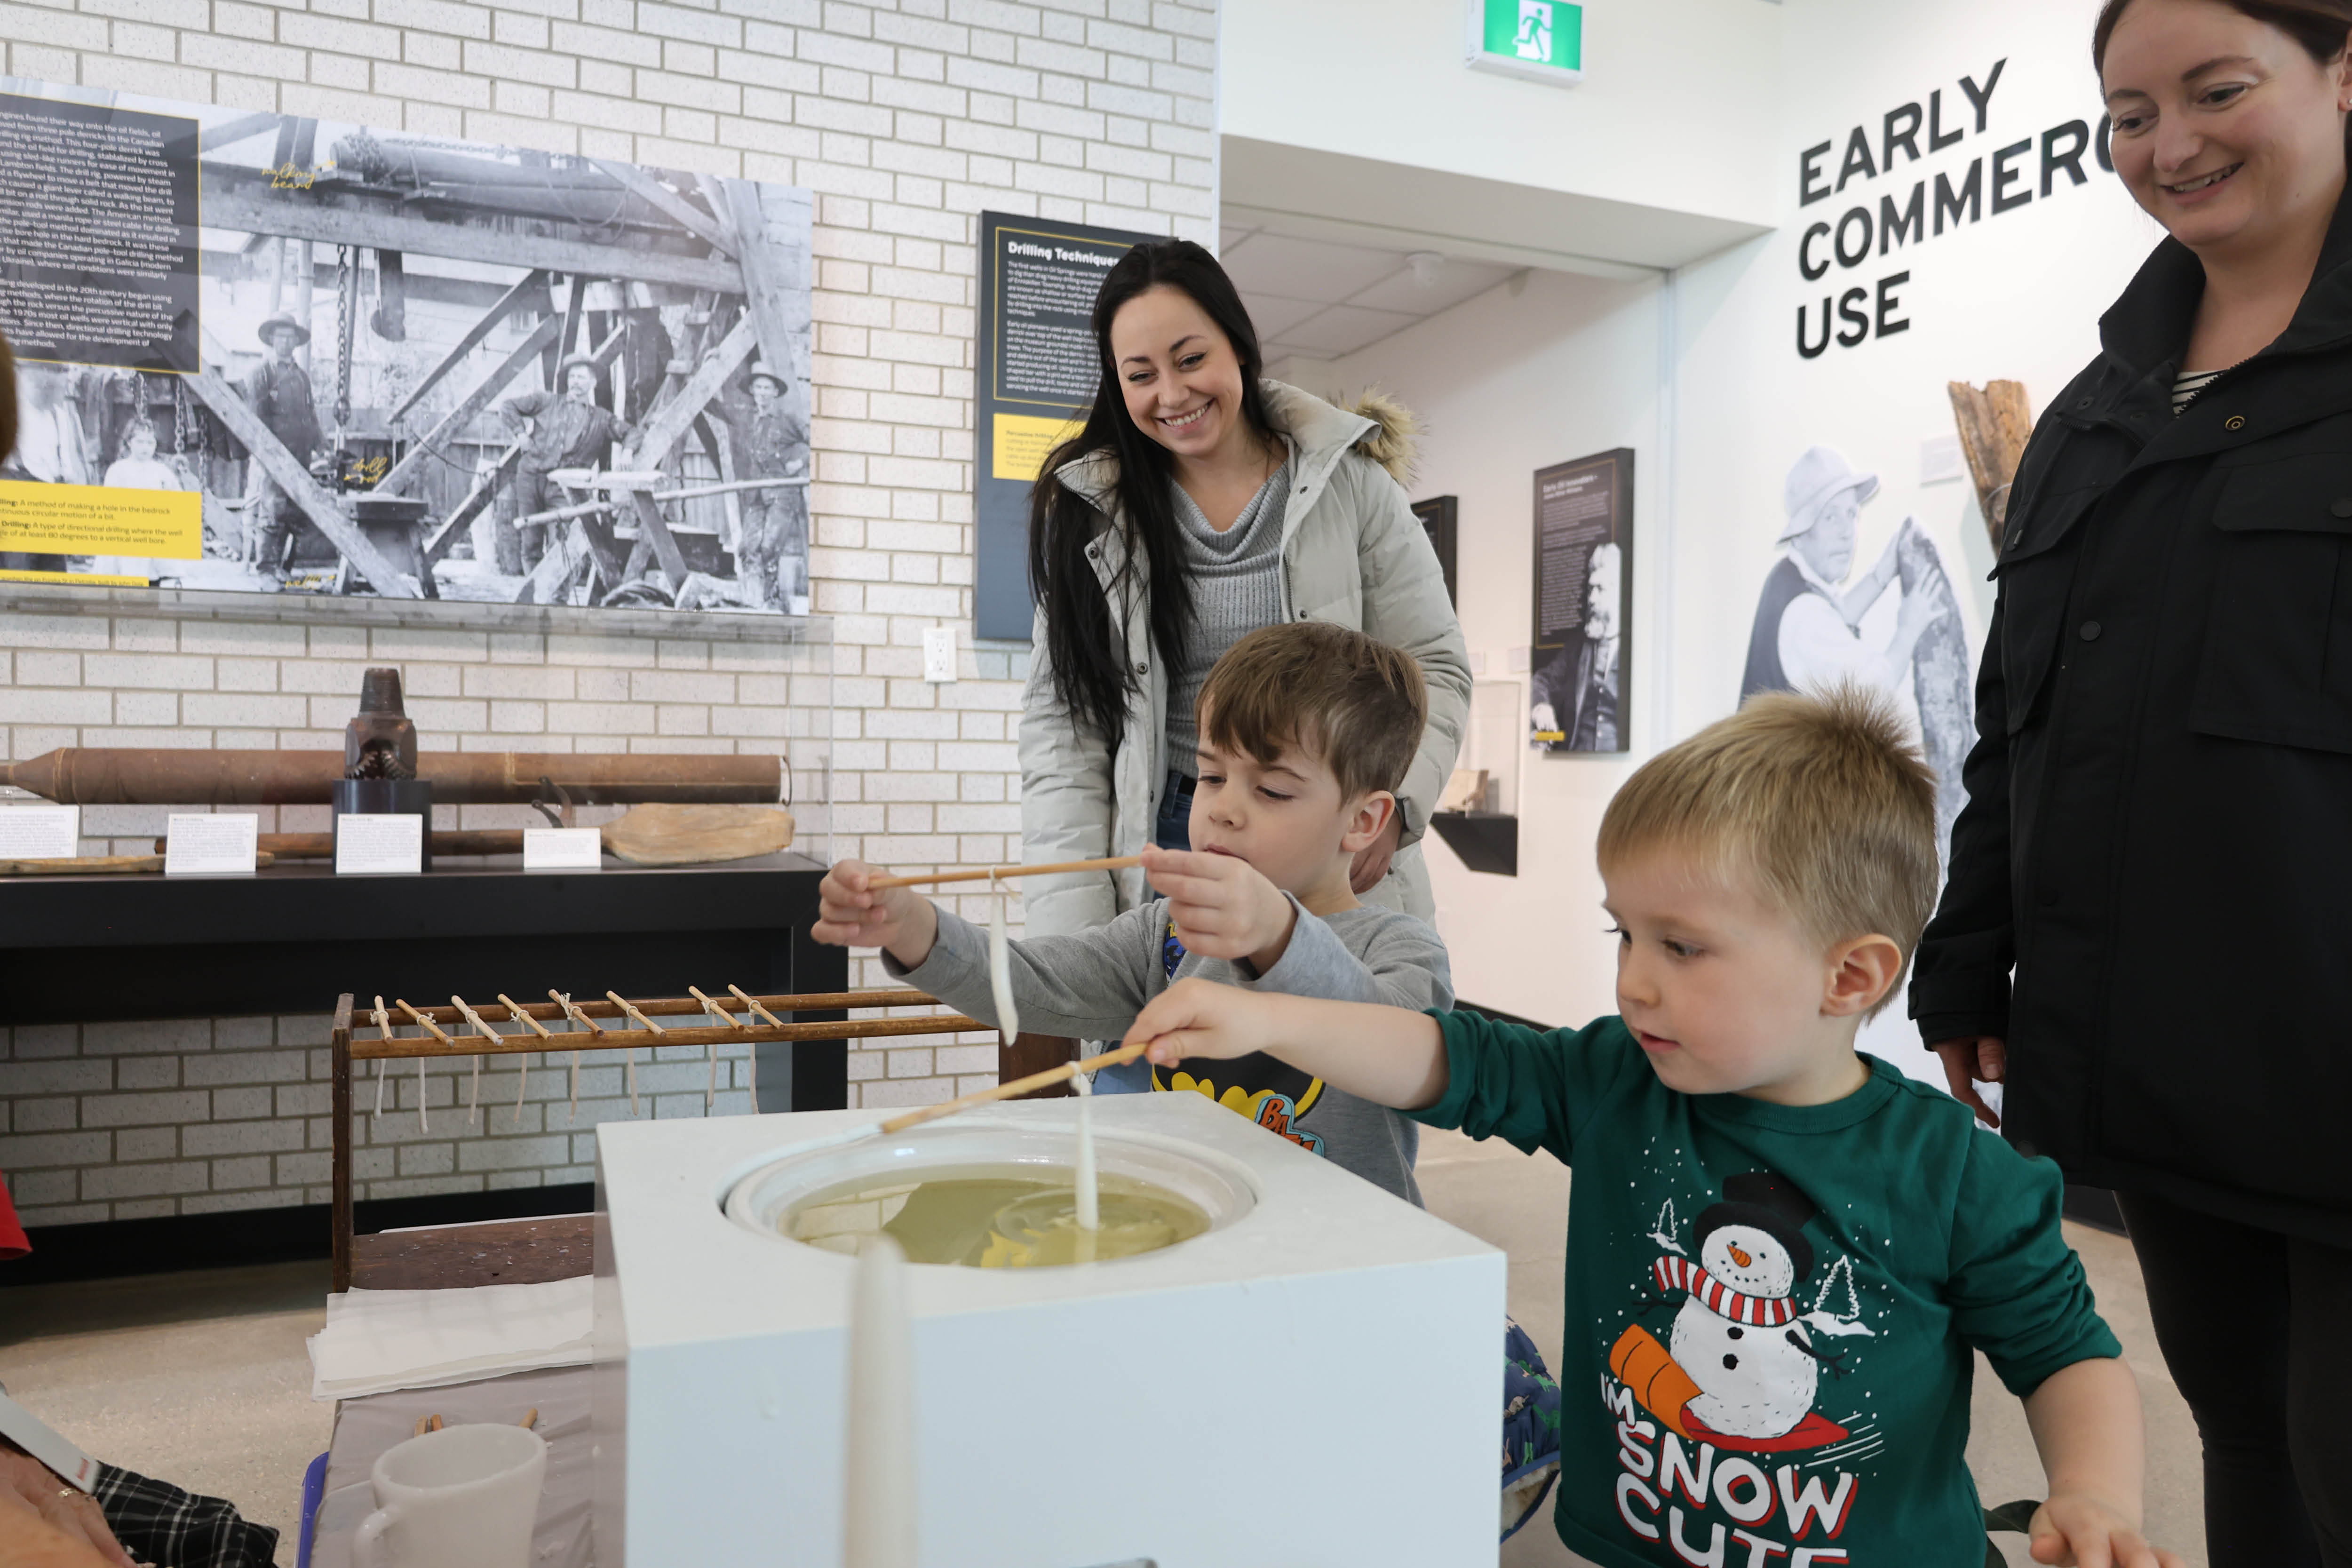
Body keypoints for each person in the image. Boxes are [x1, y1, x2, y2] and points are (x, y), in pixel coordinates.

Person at [1119, 688, 2182, 1568]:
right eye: (1624, 934)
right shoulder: (1612, 1081)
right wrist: (1263, 1013)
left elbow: (2066, 1355)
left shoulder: (1953, 1173)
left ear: (1848, 974)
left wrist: (2095, 1496)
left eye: (1683, 948)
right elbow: (1444, 1059)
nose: (1632, 981)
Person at [1917, 2, 2352, 1561]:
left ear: (2342, 67)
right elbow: (2012, 723)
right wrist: (1969, 950)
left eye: (2218, 91)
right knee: (2238, 1425)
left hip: (2330, 1039)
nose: (2171, 145)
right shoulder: (2093, 416)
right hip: (2161, 1048)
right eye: (2129, 113)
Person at [818, 622, 1451, 1202]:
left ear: (1364, 821)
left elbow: (1394, 1045)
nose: (1224, 809)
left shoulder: (1401, 949)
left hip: (1348, 1271)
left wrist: (1277, 932)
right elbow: (1036, 981)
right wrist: (914, 929)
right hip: (1195, 1243)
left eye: (1271, 789)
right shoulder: (1170, 934)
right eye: (1209, 777)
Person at [1019, 240, 1470, 998]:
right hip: (1177, 831)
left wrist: (1395, 811)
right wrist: (1077, 938)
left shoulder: (1352, 486)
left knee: (1332, 1083)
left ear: (1239, 343)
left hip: (1328, 832)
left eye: (1190, 358)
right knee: (1171, 1085)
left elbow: (1437, 668)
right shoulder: (1092, 518)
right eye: (1140, 375)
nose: (1171, 393)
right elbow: (1064, 732)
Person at [1740, 446, 1948, 704]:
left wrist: (1880, 575)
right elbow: (1873, 693)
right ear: (1800, 534)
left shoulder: (1786, 577)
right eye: (1830, 517)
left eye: (1851, 514)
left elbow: (1834, 616)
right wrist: (1908, 629)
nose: (1846, 532)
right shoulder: (1805, 615)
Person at [497, 355, 636, 573]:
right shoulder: (546, 401)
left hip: (564, 489)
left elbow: (633, 433)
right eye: (572, 377)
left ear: (593, 383)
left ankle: (557, 601)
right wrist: (521, 434)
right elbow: (507, 406)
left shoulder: (601, 418)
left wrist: (628, 452)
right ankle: (536, 597)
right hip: (530, 479)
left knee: (560, 545)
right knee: (530, 543)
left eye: (581, 377)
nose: (576, 382)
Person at [707, 361, 809, 609]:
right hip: (756, 495)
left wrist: (800, 462)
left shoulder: (789, 419)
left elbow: (818, 439)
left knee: (769, 547)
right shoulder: (747, 418)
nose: (763, 393)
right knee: (747, 548)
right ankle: (755, 599)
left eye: (767, 388)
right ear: (752, 391)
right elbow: (715, 408)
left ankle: (771, 600)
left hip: (782, 494)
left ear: (776, 392)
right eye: (758, 388)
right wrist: (712, 366)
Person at [239, 313, 321, 583]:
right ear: (272, 340)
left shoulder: (302, 377)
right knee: (272, 510)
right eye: (281, 337)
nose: (286, 342)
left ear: (297, 341)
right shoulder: (261, 373)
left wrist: (323, 446)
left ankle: (284, 568)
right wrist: (268, 455)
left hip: (302, 454)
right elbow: (255, 419)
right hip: (274, 456)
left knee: (295, 512)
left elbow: (311, 416)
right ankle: (265, 570)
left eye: (291, 337)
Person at [1529, 538, 1622, 751]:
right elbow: (1543, 679)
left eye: (1600, 589)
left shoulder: (1636, 651)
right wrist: (1541, 707)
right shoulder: (1577, 647)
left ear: (1618, 594)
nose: (1592, 598)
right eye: (1591, 590)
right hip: (1576, 758)